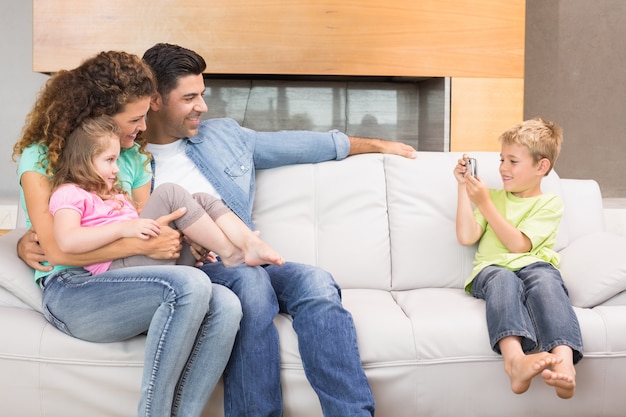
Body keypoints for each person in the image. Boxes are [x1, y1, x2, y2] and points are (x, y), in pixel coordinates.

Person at [138, 43, 418, 417]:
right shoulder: (121, 156)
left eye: (202, 95)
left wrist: (377, 145)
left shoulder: (225, 137)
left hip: (244, 259)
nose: (202, 107)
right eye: (190, 98)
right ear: (154, 100)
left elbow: (300, 144)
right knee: (252, 283)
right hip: (190, 276)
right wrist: (29, 244)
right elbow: (75, 210)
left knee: (316, 283)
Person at [13, 50, 242, 417]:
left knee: (227, 304)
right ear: (99, 116)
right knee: (189, 284)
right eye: (135, 118)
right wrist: (139, 242)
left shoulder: (134, 159)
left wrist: (179, 239)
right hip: (72, 288)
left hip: (125, 278)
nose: (143, 126)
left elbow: (147, 239)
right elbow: (58, 249)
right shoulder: (41, 157)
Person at [49, 115, 284, 273]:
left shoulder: (115, 196)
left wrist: (189, 236)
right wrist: (123, 228)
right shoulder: (70, 193)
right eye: (109, 160)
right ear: (82, 160)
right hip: (117, 269)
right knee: (169, 192)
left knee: (201, 198)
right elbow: (68, 241)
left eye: (117, 160)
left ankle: (247, 241)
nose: (116, 169)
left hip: (152, 260)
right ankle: (231, 253)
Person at [453, 117, 583, 399]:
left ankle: (564, 361)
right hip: (493, 268)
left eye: (513, 161)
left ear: (541, 166)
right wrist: (464, 189)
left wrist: (485, 203)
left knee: (547, 282)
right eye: (502, 159)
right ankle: (514, 361)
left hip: (534, 265)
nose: (502, 168)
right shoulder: (495, 197)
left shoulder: (549, 203)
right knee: (502, 280)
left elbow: (520, 245)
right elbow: (467, 236)